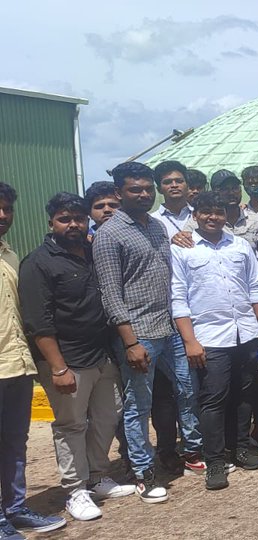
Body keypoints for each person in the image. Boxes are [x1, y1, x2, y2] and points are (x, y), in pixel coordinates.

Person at [19, 193, 134, 521]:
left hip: (101, 355)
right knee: (71, 424)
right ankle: (75, 490)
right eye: (64, 219)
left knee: (108, 416)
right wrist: (58, 367)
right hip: (66, 360)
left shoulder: (94, 252)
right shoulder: (38, 262)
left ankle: (97, 476)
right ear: (51, 222)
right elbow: (38, 321)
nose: (73, 224)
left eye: (78, 218)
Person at [94, 162, 198, 502]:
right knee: (139, 404)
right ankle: (142, 470)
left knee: (188, 389)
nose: (143, 194)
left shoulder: (156, 227)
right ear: (120, 194)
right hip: (139, 334)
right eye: (134, 190)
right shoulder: (110, 234)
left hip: (170, 327)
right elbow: (111, 293)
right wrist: (130, 341)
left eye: (146, 189)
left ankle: (194, 451)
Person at [170, 191, 258, 490]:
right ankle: (215, 460)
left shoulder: (239, 245)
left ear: (226, 215)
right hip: (209, 337)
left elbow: (256, 288)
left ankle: (240, 448)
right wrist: (190, 341)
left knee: (244, 394)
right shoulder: (182, 250)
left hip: (246, 333)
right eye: (206, 212)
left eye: (218, 212)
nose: (213, 217)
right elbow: (178, 298)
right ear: (196, 215)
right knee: (213, 399)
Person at [0, 185, 69, 536]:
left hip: (16, 364)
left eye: (7, 209)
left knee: (15, 441)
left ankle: (14, 509)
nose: (2, 215)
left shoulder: (10, 256)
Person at [151, 160, 193, 238]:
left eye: (179, 181)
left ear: (188, 186)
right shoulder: (152, 221)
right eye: (167, 182)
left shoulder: (200, 215)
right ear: (159, 189)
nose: (174, 185)